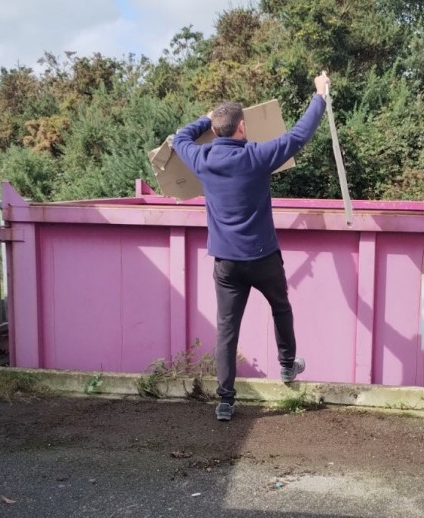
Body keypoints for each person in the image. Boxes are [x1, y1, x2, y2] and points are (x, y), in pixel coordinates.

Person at [172, 73, 331, 421]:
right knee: (280, 307)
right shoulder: (258, 156)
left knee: (227, 328)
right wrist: (320, 95)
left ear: (215, 131)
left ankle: (226, 401)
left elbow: (180, 136)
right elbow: (300, 135)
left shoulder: (202, 159)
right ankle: (288, 366)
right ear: (242, 128)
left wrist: (207, 120)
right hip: (262, 257)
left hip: (226, 263)